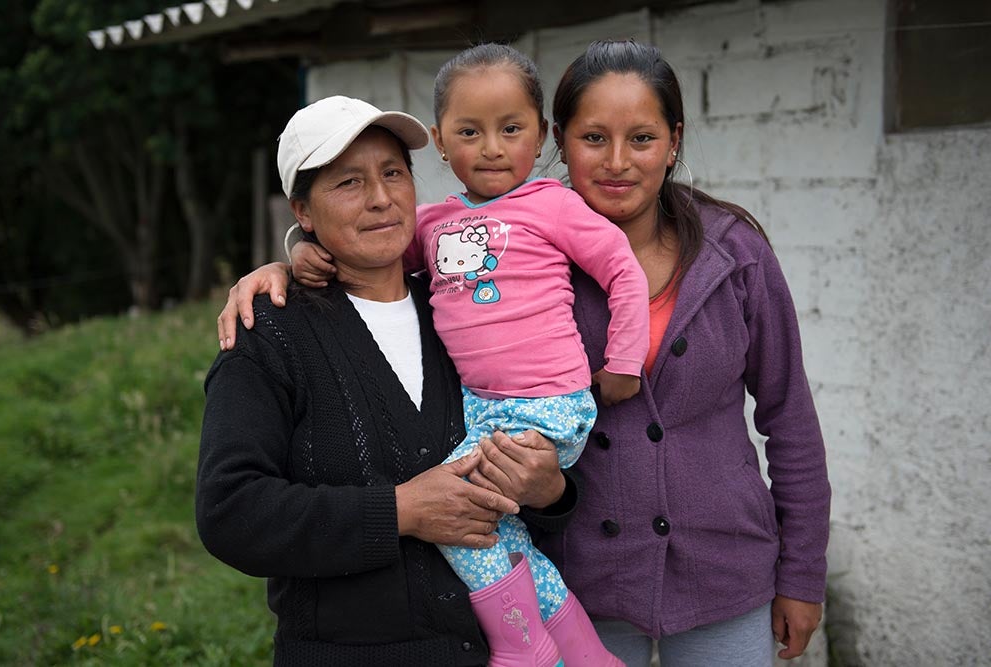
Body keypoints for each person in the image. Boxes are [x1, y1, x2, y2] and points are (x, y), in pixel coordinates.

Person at [219, 40, 831, 667]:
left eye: (642, 138)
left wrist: (803, 574)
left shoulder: (736, 259)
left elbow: (789, 420)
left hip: (723, 573)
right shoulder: (494, 259)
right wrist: (289, 261)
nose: (618, 161)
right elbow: (380, 255)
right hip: (588, 576)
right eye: (594, 138)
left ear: (674, 141)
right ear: (561, 142)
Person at [196, 96, 577, 667]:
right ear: (302, 210)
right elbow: (230, 511)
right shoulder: (270, 335)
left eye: (394, 172)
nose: (381, 198)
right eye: (348, 183)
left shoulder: (462, 306)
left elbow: (534, 458)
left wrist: (551, 493)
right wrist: (400, 510)